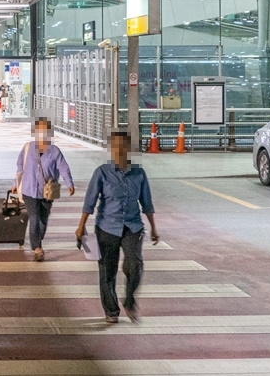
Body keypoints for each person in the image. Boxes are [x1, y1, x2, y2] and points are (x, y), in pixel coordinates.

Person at [76, 130, 159, 324]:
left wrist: (154, 228)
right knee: (107, 271)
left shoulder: (139, 173)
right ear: (112, 150)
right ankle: (111, 310)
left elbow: (147, 203)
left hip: (132, 226)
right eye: (116, 147)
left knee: (135, 264)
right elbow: (90, 202)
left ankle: (129, 300)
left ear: (129, 149)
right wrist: (81, 226)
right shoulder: (102, 172)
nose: (120, 151)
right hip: (106, 227)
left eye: (124, 147)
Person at [11, 117, 75, 262]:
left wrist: (69, 183)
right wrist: (15, 184)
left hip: (47, 192)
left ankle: (38, 239)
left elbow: (63, 167)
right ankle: (37, 247)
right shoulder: (28, 148)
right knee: (34, 218)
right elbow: (20, 168)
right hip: (29, 190)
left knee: (43, 220)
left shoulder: (54, 151)